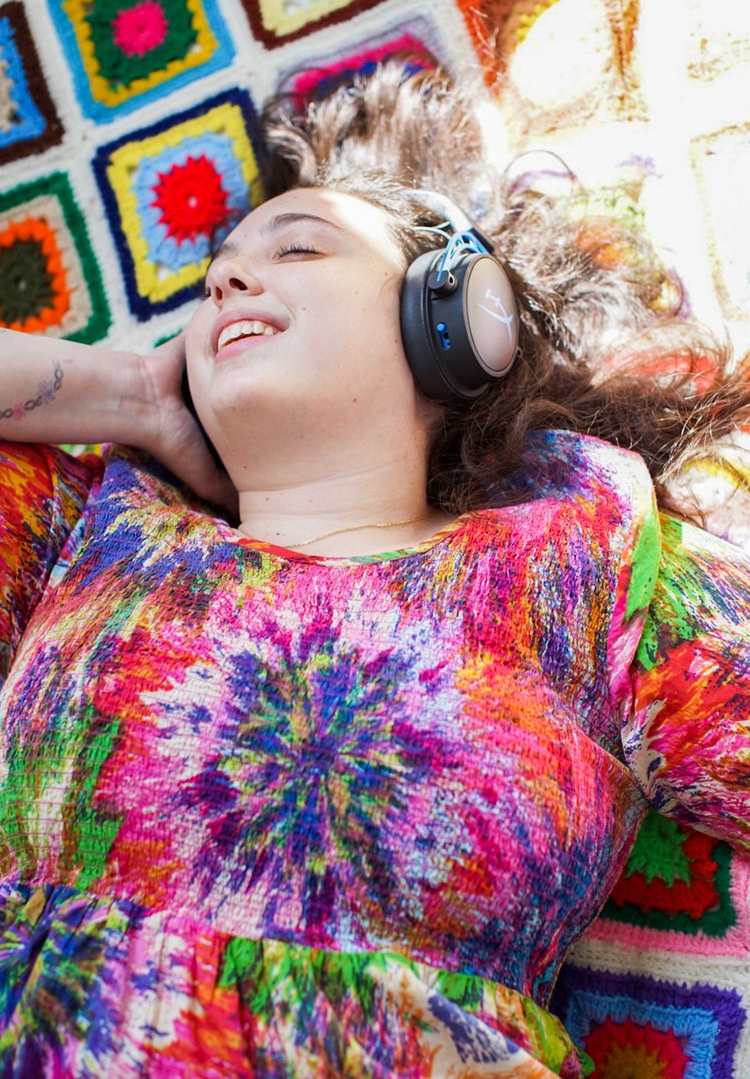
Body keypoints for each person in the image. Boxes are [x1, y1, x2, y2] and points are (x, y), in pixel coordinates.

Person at [0, 63, 749, 1077]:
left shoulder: (586, 559)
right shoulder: (88, 522)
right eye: (213, 273)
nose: (224, 281)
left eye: (297, 246)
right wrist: (132, 392)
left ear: (454, 318)